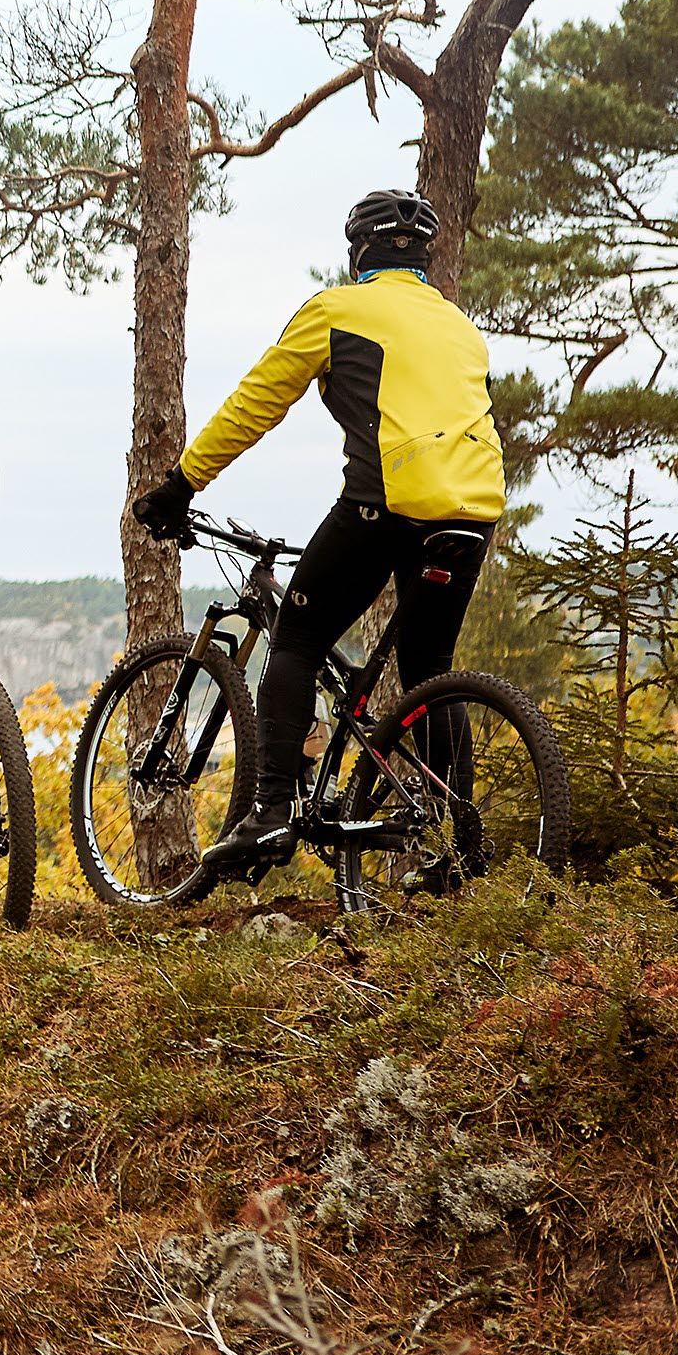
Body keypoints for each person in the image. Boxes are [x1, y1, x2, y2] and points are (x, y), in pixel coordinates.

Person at [130, 189, 505, 875]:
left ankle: (270, 815)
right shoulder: (460, 326)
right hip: (474, 509)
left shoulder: (336, 309)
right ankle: (464, 851)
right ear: (424, 257)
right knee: (431, 673)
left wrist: (182, 483)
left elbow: (256, 402)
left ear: (357, 253)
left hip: (387, 503)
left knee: (299, 636)